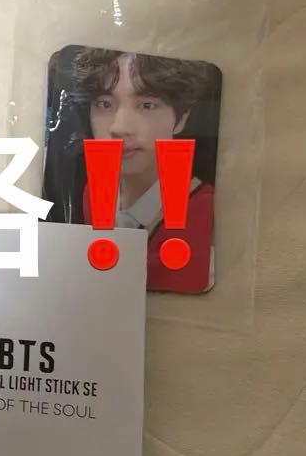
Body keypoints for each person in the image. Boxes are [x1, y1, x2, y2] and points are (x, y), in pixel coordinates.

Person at [68, 48, 219, 293]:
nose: (119, 127)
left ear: (181, 118)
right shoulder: (94, 191)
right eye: (104, 104)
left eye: (147, 105)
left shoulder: (208, 214)